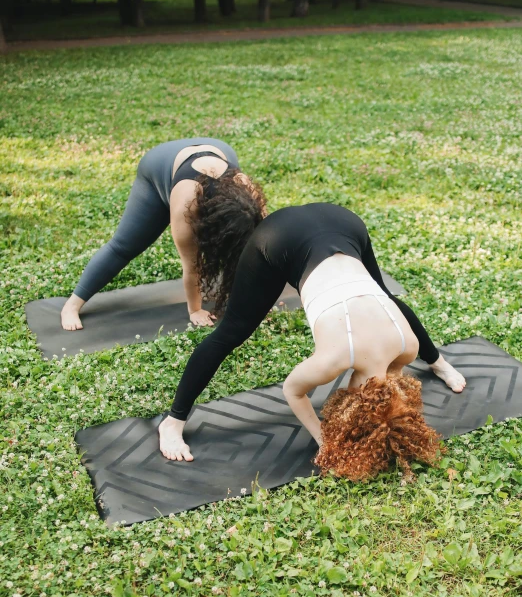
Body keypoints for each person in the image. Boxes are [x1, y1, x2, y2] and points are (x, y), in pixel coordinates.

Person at [158, 203, 466, 479]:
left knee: (388, 298)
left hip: (343, 219)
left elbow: (386, 394)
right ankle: (172, 422)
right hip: (280, 238)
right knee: (232, 331)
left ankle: (439, 363)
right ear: (350, 400)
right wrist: (324, 439)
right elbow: (292, 391)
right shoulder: (334, 359)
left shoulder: (406, 346)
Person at [61, 137, 266, 330]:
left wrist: (264, 292)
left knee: (246, 243)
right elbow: (192, 266)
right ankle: (71, 305)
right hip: (159, 165)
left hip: (217, 149)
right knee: (124, 246)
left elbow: (263, 249)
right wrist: (195, 309)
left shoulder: (246, 195)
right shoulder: (187, 200)